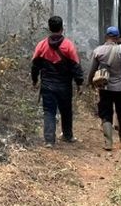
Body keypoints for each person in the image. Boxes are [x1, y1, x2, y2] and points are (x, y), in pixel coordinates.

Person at [31, 15, 84, 146]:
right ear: (62, 28)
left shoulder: (41, 45)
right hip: (65, 86)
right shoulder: (68, 46)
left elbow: (35, 65)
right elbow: (76, 67)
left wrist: (35, 80)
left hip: (47, 85)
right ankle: (67, 135)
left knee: (49, 111)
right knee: (66, 110)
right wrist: (79, 83)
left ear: (49, 28)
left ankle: (49, 140)